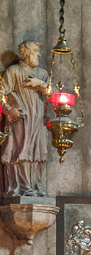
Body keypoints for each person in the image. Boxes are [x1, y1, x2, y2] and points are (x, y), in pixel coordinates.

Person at [1, 40, 49, 199]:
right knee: (20, 151)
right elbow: (2, 94)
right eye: (36, 50)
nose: (39, 54)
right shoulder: (13, 71)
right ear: (26, 52)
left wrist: (40, 84)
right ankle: (20, 188)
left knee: (38, 152)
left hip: (37, 120)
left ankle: (35, 186)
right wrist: (9, 110)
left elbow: (53, 93)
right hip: (20, 119)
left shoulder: (42, 74)